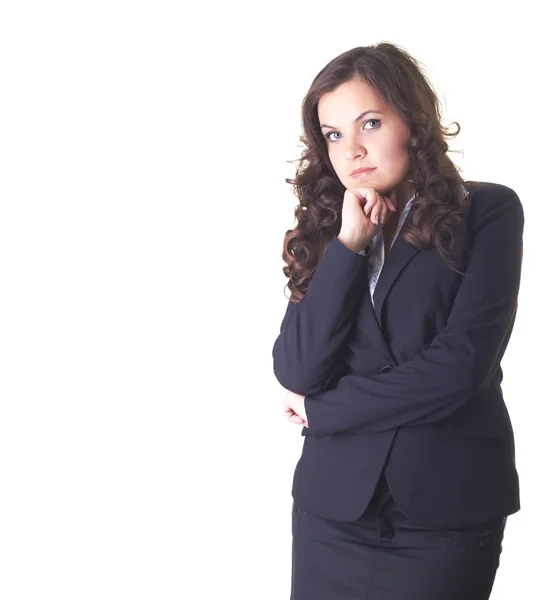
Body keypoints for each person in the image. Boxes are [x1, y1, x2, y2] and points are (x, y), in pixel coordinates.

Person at [272, 42, 524, 600]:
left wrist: (323, 410)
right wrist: (347, 246)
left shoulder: (487, 212)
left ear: (412, 120)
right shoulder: (327, 230)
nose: (352, 149)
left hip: (445, 512)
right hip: (332, 512)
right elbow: (297, 367)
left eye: (370, 122)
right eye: (334, 134)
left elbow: (459, 369)